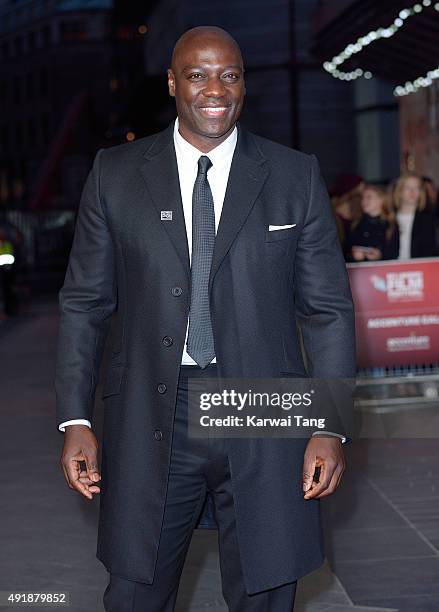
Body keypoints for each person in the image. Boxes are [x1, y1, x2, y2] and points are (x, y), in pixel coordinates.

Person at [55, 26, 355, 611]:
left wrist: (330, 426)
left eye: (229, 74)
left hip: (267, 407)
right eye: (197, 74)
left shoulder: (294, 176)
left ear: (244, 84)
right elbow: (84, 304)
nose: (214, 89)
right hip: (152, 405)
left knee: (266, 588)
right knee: (135, 591)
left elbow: (327, 311)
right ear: (172, 83)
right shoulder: (113, 175)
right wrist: (74, 419)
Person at [346, 184, 399, 262]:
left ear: (381, 199)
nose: (364, 201)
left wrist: (380, 256)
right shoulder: (356, 224)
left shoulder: (390, 226)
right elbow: (345, 251)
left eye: (369, 197)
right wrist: (353, 255)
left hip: (382, 272)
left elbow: (394, 254)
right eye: (363, 198)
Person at [393, 173, 436, 259]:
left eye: (417, 188)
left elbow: (430, 252)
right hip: (391, 269)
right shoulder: (389, 218)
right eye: (408, 188)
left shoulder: (428, 220)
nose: (412, 192)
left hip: (418, 268)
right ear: (399, 191)